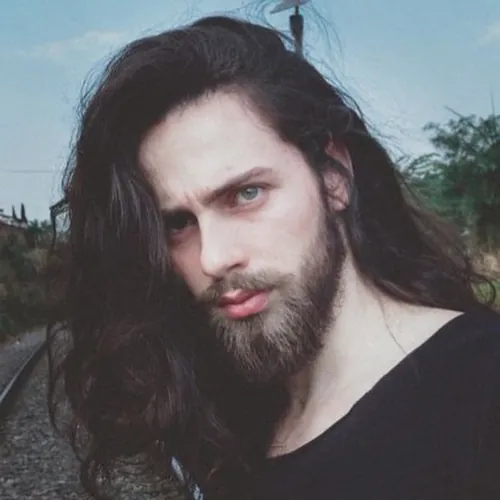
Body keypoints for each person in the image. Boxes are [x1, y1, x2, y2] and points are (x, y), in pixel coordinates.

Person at [47, 14, 500, 500]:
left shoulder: (482, 391)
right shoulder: (235, 419)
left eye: (246, 194)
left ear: (334, 176)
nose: (213, 259)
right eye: (178, 223)